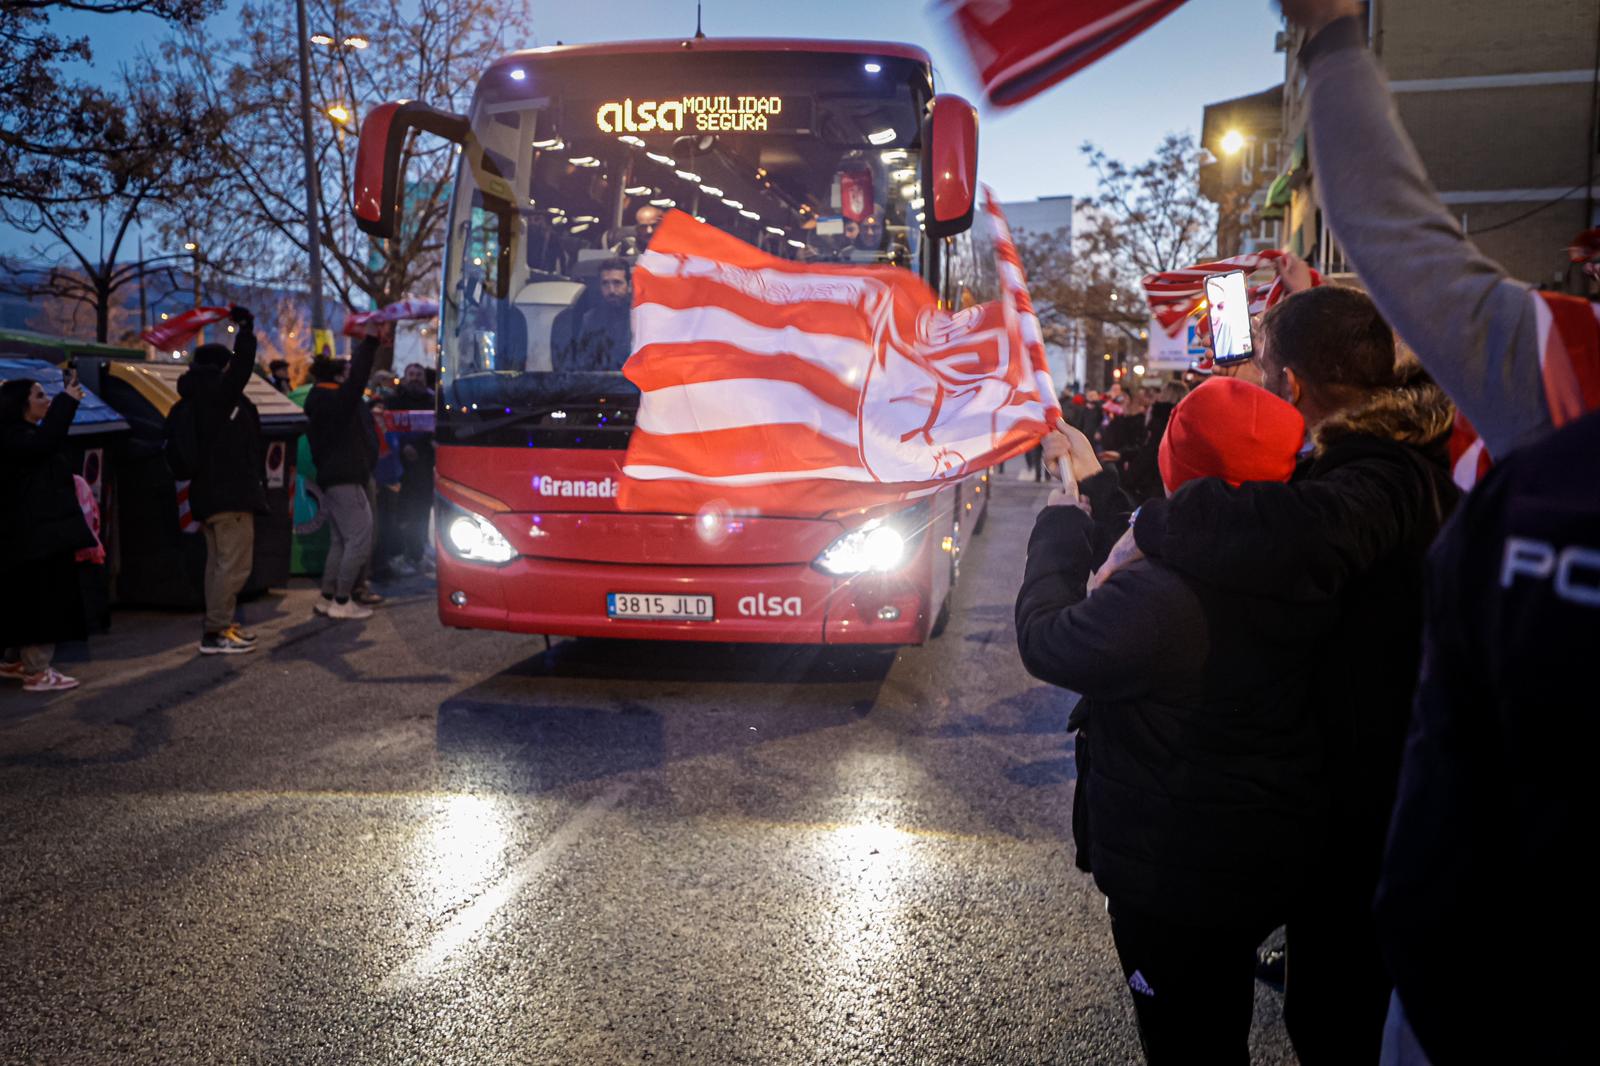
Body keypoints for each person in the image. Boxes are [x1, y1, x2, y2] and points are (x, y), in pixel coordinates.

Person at [1118, 285, 1459, 1064]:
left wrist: (1155, 519)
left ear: (1293, 385)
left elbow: (1300, 535)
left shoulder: (1383, 475)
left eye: (1267, 375)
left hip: (1377, 813)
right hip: (1362, 799)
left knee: (1342, 1024)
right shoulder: (1388, 456)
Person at [1016, 379, 1330, 1064]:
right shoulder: (1300, 551)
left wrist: (1059, 525)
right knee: (1220, 1019)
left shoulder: (1162, 596)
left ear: (1172, 462)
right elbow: (1173, 533)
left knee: (1189, 1042)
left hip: (1177, 875)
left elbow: (1047, 639)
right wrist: (1097, 484)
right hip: (1261, 850)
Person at [178, 306, 269, 654]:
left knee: (217, 565)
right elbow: (243, 364)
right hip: (229, 494)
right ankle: (216, 631)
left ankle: (221, 624)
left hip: (207, 493)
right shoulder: (217, 395)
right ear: (221, 368)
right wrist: (245, 330)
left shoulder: (193, 398)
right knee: (232, 566)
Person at [0, 375, 96, 691]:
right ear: (21, 404)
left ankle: (16, 661)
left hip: (33, 535)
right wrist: (67, 402)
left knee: (24, 599)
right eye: (39, 395)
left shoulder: (19, 435)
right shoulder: (17, 438)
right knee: (42, 601)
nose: (47, 400)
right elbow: (45, 444)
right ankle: (38, 671)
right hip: (35, 536)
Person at [304, 333, 380, 620]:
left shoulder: (319, 400)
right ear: (339, 376)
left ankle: (326, 596)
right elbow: (358, 379)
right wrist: (370, 343)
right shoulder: (336, 400)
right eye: (346, 374)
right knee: (360, 537)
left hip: (332, 477)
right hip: (347, 476)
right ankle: (342, 599)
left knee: (340, 540)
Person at [387, 362, 435, 576]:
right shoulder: (395, 400)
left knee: (423, 509)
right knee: (404, 511)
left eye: (419, 374)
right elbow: (390, 427)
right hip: (401, 466)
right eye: (411, 374)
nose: (415, 378)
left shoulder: (432, 400)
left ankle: (419, 551)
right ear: (405, 377)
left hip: (425, 463)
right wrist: (403, 445)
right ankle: (404, 553)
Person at [569, 257, 633, 371]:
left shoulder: (643, 318)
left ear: (629, 286)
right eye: (605, 284)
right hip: (601, 384)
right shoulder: (590, 320)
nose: (611, 290)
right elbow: (582, 365)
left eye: (617, 283)